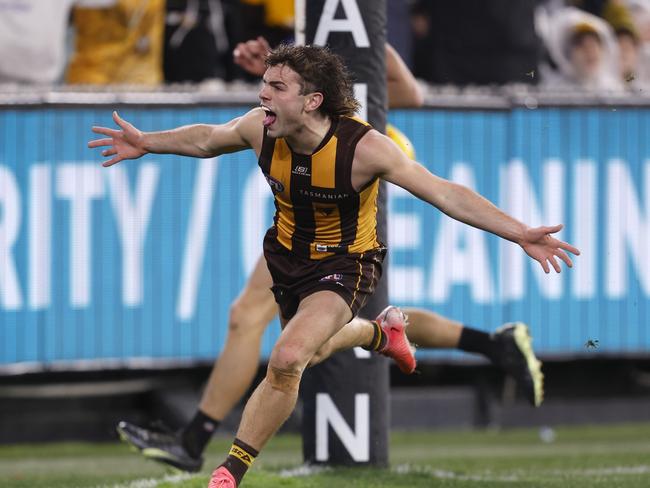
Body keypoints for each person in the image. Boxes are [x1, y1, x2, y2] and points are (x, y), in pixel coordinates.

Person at [90, 44, 579, 487]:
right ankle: (378, 335)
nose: (262, 95)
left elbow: (446, 193)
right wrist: (147, 141)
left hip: (346, 264)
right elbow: (205, 139)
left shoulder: (364, 149)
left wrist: (518, 232)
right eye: (263, 85)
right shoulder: (259, 129)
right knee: (311, 354)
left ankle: (228, 472)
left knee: (286, 357)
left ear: (312, 101)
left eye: (276, 87)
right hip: (285, 258)